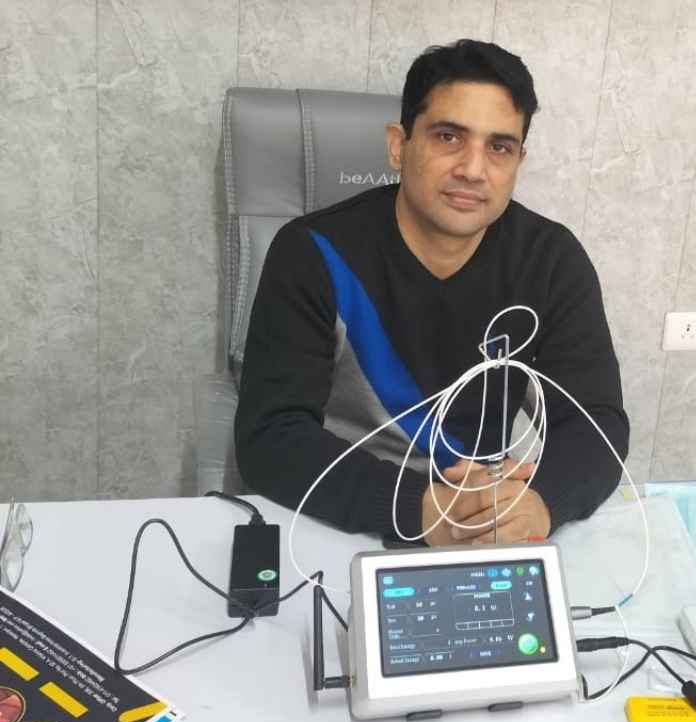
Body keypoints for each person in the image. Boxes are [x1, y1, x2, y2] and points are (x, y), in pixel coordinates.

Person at [235, 39, 628, 546]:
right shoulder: (312, 252)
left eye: (499, 147)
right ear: (398, 145)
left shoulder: (551, 260)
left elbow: (597, 424)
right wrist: (420, 508)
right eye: (448, 137)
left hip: (483, 523)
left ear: (518, 161)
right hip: (346, 516)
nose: (473, 169)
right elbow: (271, 437)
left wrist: (541, 502)